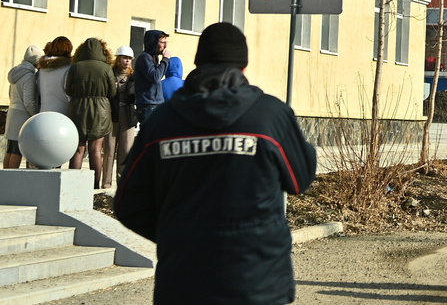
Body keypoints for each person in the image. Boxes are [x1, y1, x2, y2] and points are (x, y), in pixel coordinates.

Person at [115, 22, 317, 305]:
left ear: (199, 63)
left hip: (184, 281)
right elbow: (300, 179)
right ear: (243, 67)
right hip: (259, 280)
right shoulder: (270, 116)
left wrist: (177, 235)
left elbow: (128, 202)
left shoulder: (162, 123)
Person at [66, 38, 115, 189]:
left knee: (78, 148)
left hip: (78, 109)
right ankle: (94, 185)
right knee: (95, 149)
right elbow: (112, 92)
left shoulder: (75, 67)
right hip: (100, 111)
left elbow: (68, 90)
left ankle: (73, 184)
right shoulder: (106, 68)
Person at [103, 45, 137, 188]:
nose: (127, 61)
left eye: (129, 58)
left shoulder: (134, 76)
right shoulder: (109, 74)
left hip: (128, 116)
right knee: (109, 150)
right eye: (124, 58)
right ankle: (106, 184)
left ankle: (122, 185)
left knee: (125, 151)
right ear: (118, 59)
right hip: (112, 115)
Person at [5, 45, 42, 169]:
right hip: (22, 116)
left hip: (12, 113)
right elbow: (29, 101)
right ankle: (13, 181)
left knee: (10, 150)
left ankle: (5, 180)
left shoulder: (16, 73)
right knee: (17, 151)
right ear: (36, 62)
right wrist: (36, 115)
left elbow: (10, 94)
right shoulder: (29, 76)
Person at [133, 30, 170, 123]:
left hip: (155, 105)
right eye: (163, 43)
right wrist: (165, 60)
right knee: (150, 136)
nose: (165, 46)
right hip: (148, 106)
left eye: (166, 43)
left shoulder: (154, 58)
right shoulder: (145, 58)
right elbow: (155, 77)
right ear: (153, 42)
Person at [37, 37, 73, 116]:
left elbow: (39, 90)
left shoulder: (42, 69)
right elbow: (69, 94)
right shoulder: (68, 68)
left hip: (43, 114)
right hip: (62, 115)